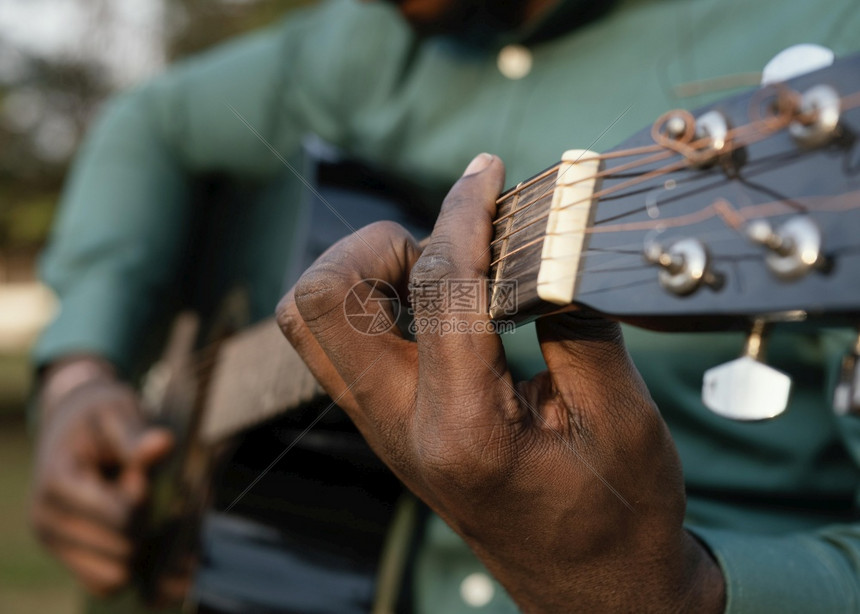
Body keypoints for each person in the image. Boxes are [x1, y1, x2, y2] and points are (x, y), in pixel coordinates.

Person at [29, 0, 860, 611]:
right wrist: (78, 375)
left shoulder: (823, 48)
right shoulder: (368, 38)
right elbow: (151, 123)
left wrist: (676, 595)